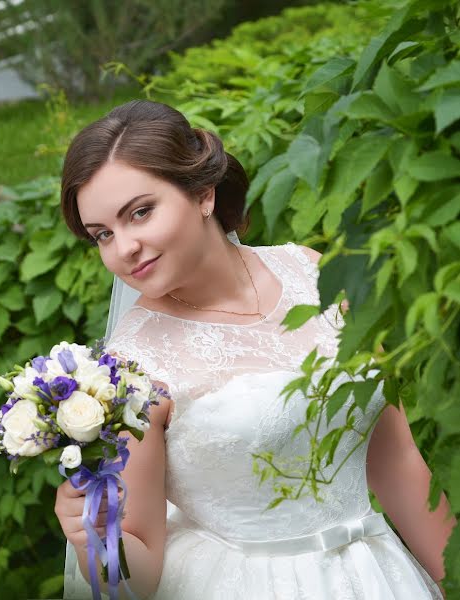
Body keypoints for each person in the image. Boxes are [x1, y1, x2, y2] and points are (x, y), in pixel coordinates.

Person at [54, 100, 454, 599]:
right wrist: (97, 540)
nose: (124, 247)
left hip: (373, 577)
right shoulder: (131, 366)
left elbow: (395, 459)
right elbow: (142, 569)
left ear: (202, 194)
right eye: (103, 234)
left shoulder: (315, 272)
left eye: (140, 212)